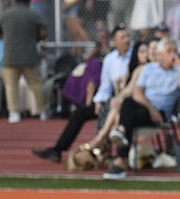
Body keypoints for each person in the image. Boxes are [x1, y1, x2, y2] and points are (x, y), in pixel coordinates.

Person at [31, 25, 131, 163]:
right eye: (123, 37)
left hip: (125, 101)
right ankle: (58, 149)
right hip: (109, 99)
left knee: (109, 112)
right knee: (79, 114)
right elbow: (105, 86)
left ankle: (106, 152)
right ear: (115, 41)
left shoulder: (133, 57)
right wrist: (98, 101)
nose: (127, 40)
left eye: (127, 36)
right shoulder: (110, 59)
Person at [103, 38, 180, 179]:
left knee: (127, 117)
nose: (173, 54)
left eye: (175, 51)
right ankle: (121, 134)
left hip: (161, 113)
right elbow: (137, 93)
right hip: (146, 107)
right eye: (169, 51)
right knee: (127, 102)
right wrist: (151, 109)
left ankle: (120, 159)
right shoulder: (148, 69)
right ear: (160, 55)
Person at [0, 0, 47, 124]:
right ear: (28, 3)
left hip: (10, 56)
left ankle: (14, 113)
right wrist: (34, 38)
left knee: (11, 86)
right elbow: (43, 33)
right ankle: (43, 111)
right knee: (36, 84)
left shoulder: (5, 15)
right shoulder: (33, 15)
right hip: (29, 56)